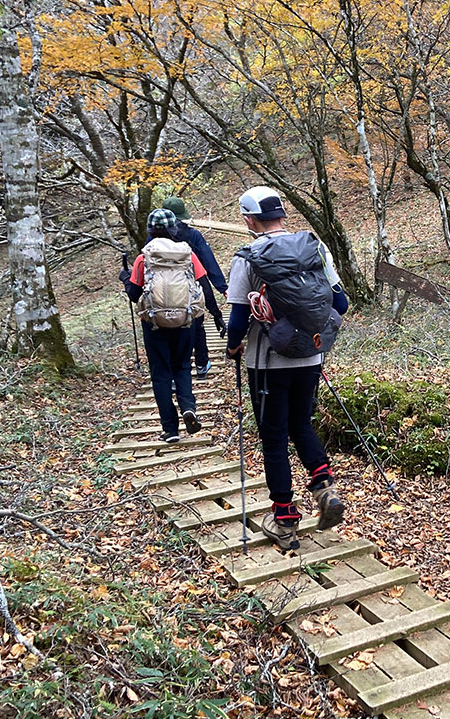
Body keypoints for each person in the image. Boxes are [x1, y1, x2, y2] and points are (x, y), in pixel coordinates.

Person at [224, 186, 347, 549]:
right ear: (282, 215)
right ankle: (324, 487)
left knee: (274, 437)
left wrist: (233, 347)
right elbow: (339, 302)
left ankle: (284, 519)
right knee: (301, 423)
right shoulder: (314, 247)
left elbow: (236, 319)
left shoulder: (248, 256)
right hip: (311, 355)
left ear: (248, 219)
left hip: (266, 363)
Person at [122, 209, 227, 443]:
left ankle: (170, 429)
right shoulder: (187, 255)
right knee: (182, 366)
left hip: (154, 324)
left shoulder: (143, 257)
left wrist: (124, 277)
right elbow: (203, 286)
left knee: (160, 375)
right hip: (185, 322)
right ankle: (188, 407)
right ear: (174, 229)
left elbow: (134, 293)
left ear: (150, 230)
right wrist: (217, 315)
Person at [161, 196, 228, 378]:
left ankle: (176, 372)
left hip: (163, 296)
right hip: (191, 290)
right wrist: (222, 288)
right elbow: (208, 263)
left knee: (169, 330)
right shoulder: (193, 236)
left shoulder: (153, 242)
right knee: (196, 324)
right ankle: (201, 364)